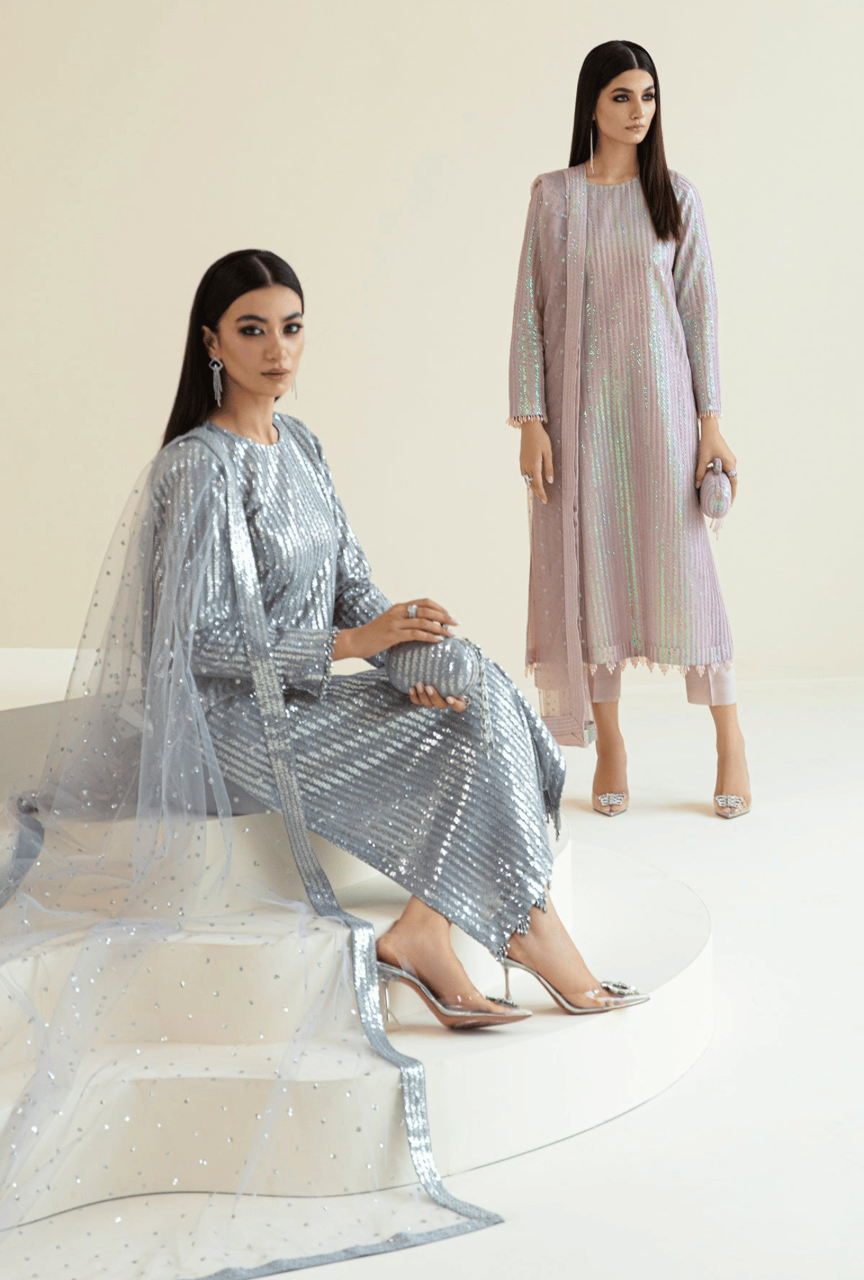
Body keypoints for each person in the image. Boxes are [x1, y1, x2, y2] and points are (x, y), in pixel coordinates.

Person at [0, 248, 645, 1276]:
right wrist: (356, 647)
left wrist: (410, 647)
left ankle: (431, 926)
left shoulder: (302, 445)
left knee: (470, 680)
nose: (276, 348)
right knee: (464, 712)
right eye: (251, 328)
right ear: (210, 340)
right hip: (232, 722)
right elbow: (200, 644)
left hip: (306, 688)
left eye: (291, 326)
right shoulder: (194, 466)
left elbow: (356, 591)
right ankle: (517, 927)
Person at [510, 40, 751, 819]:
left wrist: (711, 426)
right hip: (580, 425)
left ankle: (730, 738)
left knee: (687, 577)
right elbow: (531, 313)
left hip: (662, 416)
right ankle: (609, 740)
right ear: (591, 106)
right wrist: (531, 420)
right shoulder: (556, 198)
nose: (638, 110)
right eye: (622, 96)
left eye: (648, 95)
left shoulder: (675, 197)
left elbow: (700, 317)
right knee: (594, 577)